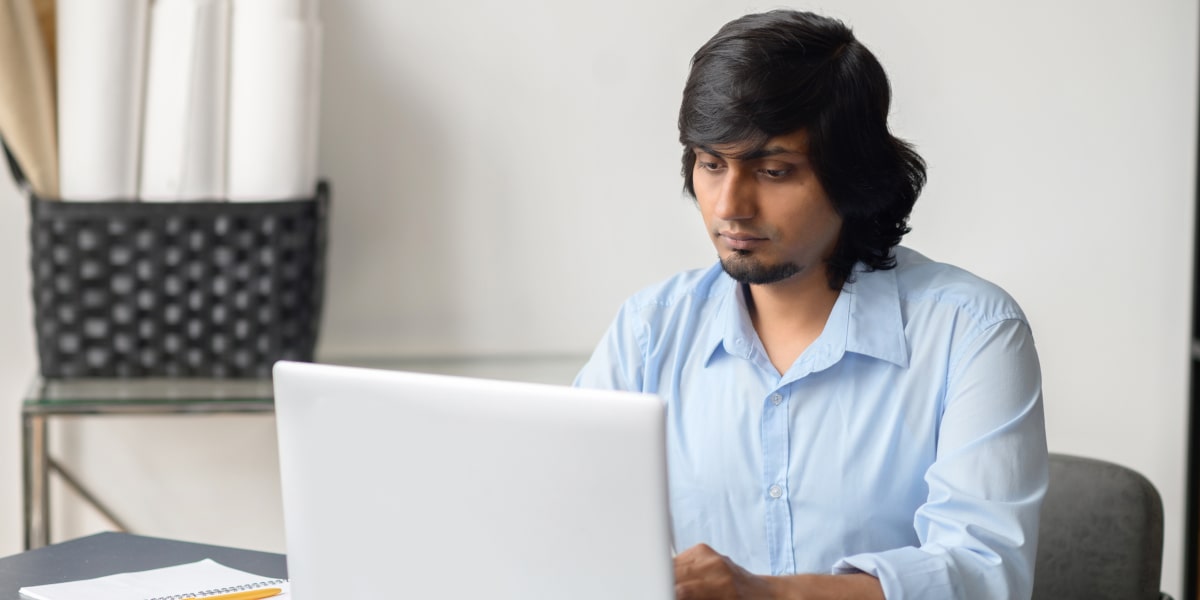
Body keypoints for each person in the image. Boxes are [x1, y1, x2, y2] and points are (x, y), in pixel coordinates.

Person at [573, 9, 1048, 600]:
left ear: (853, 174)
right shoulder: (650, 329)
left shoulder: (970, 331)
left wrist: (765, 594)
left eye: (773, 170)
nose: (730, 206)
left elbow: (983, 575)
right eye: (710, 164)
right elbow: (566, 522)